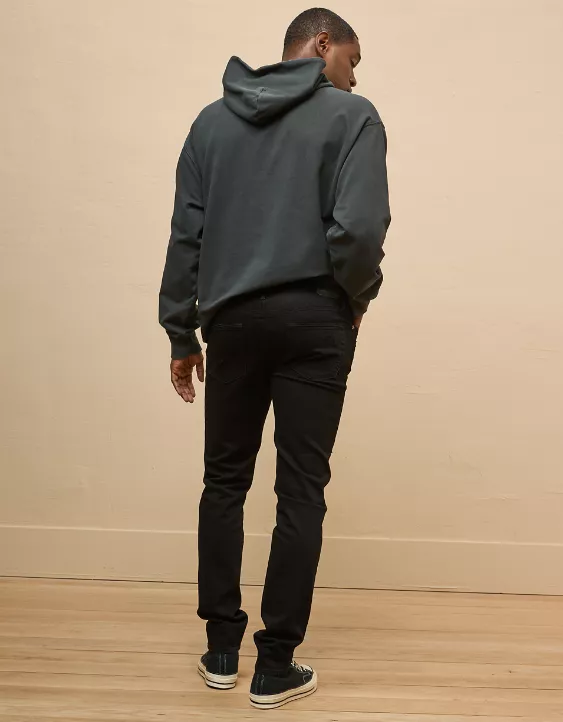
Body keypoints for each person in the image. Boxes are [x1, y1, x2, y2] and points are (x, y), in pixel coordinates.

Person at [159, 6, 391, 710]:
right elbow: (360, 228)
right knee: (300, 490)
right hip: (314, 317)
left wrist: (181, 332)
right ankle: (275, 665)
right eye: (352, 59)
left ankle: (220, 650)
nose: (354, 78)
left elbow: (187, 235)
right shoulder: (353, 117)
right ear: (321, 43)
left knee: (223, 482)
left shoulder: (210, 122)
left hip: (230, 322)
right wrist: (357, 296)